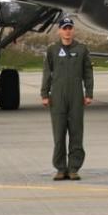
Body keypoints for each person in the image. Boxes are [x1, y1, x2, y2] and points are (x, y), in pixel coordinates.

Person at [41, 17, 94, 181]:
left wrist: (89, 93)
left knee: (76, 133)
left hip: (76, 96)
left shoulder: (82, 49)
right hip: (57, 97)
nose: (67, 31)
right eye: (64, 28)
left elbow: (88, 73)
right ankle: (60, 168)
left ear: (73, 30)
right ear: (59, 31)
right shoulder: (52, 50)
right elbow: (47, 73)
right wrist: (44, 94)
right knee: (59, 134)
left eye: (70, 28)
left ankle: (73, 168)